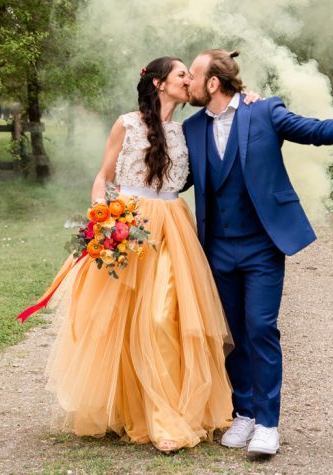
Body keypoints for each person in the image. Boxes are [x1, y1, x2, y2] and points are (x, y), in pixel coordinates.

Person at [183, 49, 333, 457]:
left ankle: (267, 424)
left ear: (212, 82)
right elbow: (177, 177)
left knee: (261, 328)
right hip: (217, 249)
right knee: (232, 334)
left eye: (193, 75)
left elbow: (314, 130)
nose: (188, 83)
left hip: (262, 245)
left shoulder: (264, 111)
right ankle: (244, 413)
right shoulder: (191, 128)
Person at [33, 56, 236, 453]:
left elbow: (227, 117)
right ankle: (134, 410)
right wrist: (102, 217)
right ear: (159, 83)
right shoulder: (126, 124)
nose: (189, 80)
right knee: (123, 322)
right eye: (182, 74)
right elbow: (103, 177)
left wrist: (247, 98)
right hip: (130, 224)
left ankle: (168, 414)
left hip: (173, 228)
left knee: (163, 318)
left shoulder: (188, 130)